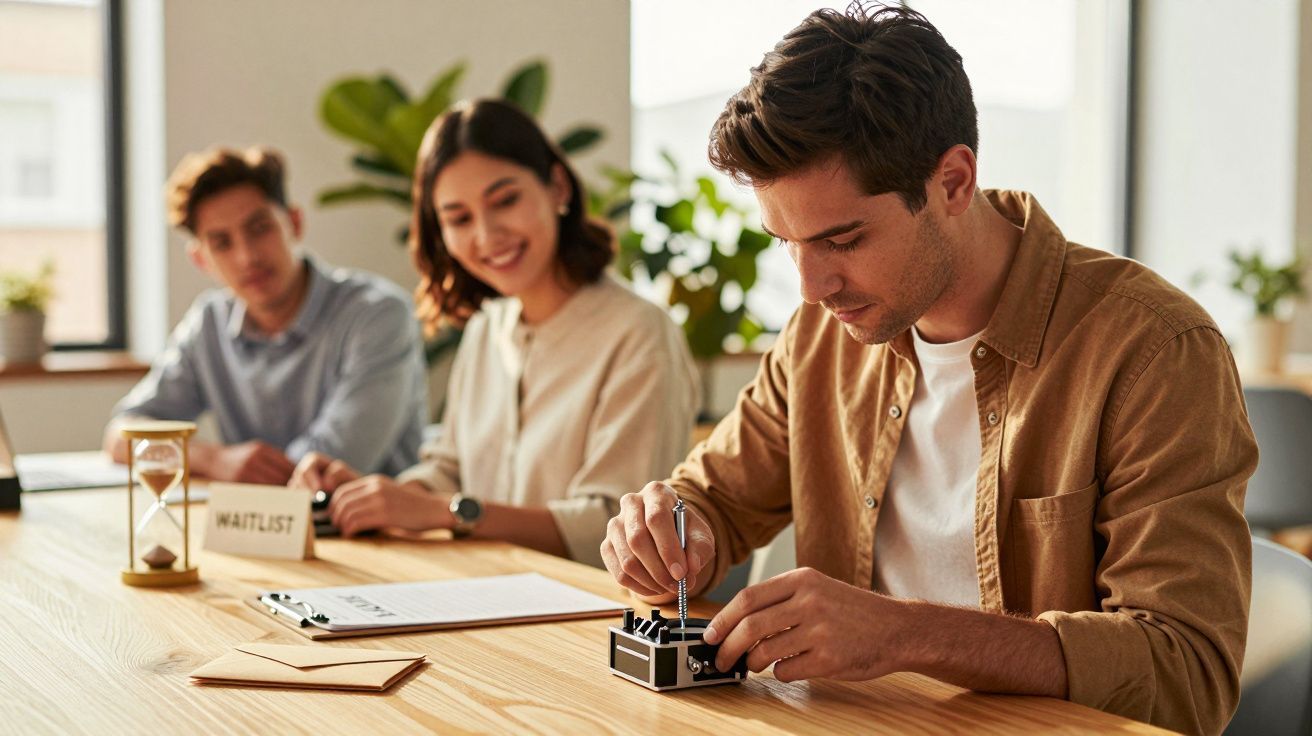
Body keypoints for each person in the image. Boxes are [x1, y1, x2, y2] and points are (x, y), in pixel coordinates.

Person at [599, 5, 1257, 734]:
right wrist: (666, 530)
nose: (812, 287)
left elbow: (1185, 672)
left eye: (842, 239)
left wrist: (902, 634)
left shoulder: (1154, 350)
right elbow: (712, 501)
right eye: (787, 242)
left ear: (952, 181)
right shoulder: (819, 338)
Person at [291, 99, 698, 569]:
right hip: (480, 596)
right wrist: (369, 496)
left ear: (557, 187)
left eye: (505, 200)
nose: (486, 236)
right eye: (459, 218)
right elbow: (449, 470)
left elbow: (614, 529)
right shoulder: (486, 329)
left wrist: (442, 513)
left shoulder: (640, 333)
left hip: (586, 616)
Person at [105, 147, 427, 484]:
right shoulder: (209, 323)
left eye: (260, 229)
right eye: (222, 243)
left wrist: (219, 465)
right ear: (202, 260)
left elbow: (327, 464)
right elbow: (122, 435)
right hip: (256, 529)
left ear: (295, 223)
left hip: (379, 531)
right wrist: (213, 458)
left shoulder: (378, 315)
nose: (247, 257)